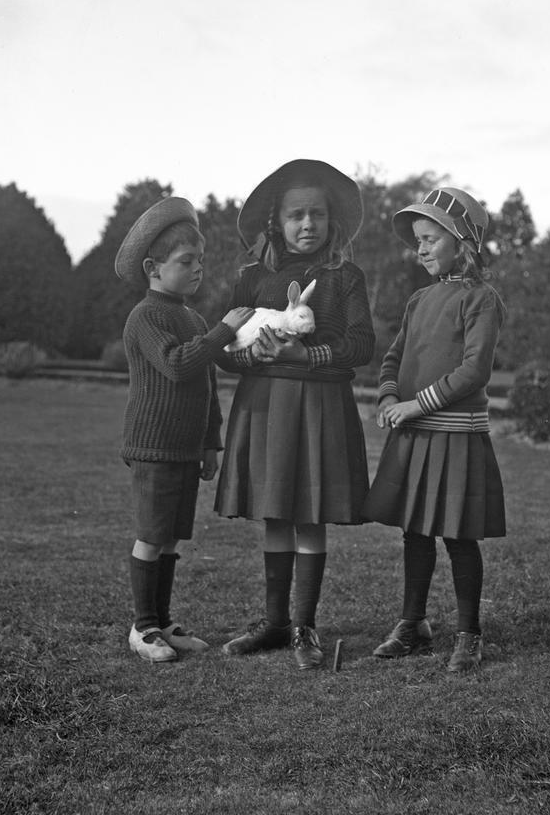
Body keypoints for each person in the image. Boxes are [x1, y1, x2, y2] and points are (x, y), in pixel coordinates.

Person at [214, 159, 375, 670]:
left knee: (309, 514)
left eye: (318, 215)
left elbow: (361, 343)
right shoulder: (252, 278)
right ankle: (274, 622)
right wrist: (250, 356)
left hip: (319, 405)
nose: (308, 225)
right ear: (275, 222)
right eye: (296, 216)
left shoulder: (345, 277)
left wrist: (305, 356)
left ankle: (305, 627)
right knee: (276, 511)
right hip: (264, 407)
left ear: (333, 222)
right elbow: (223, 347)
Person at [362, 188, 506, 673]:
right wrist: (386, 397)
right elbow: (392, 358)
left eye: (429, 239)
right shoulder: (419, 299)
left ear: (461, 241)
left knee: (459, 536)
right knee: (414, 531)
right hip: (415, 435)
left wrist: (415, 404)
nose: (419, 249)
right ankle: (413, 623)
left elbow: (474, 372)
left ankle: (469, 634)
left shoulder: (482, 300)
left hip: (456, 434)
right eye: (417, 240)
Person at [115, 197, 254, 662]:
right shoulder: (146, 317)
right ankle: (142, 627)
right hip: (153, 448)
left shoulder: (192, 318)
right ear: (153, 268)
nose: (197, 269)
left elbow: (210, 382)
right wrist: (221, 331)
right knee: (152, 535)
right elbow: (177, 365)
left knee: (171, 538)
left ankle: (163, 621)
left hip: (185, 451)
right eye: (186, 261)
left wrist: (210, 445)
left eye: (200, 260)